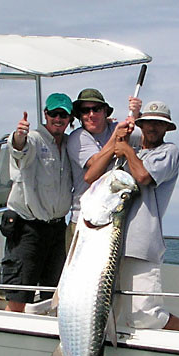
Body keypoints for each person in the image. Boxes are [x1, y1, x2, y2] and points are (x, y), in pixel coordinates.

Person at [112, 101, 179, 333]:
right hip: (112, 240)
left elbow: (144, 176)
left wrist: (126, 152)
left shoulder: (168, 152)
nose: (153, 128)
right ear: (141, 125)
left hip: (140, 243)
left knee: (145, 314)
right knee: (108, 310)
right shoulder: (130, 146)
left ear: (167, 129)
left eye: (159, 124)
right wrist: (132, 116)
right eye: (148, 123)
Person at [0, 93, 73, 312]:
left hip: (57, 230)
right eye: (53, 114)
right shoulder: (33, 138)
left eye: (63, 114)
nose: (57, 119)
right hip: (27, 229)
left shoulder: (70, 144)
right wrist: (18, 136)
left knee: (54, 296)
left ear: (70, 118)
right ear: (45, 114)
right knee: (19, 297)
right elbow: (18, 148)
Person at [65, 88, 143, 248]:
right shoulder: (78, 138)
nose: (91, 115)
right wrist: (116, 138)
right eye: (85, 111)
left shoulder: (117, 128)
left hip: (114, 220)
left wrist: (138, 116)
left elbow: (148, 136)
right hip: (84, 220)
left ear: (105, 111)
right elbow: (95, 167)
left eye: (96, 109)